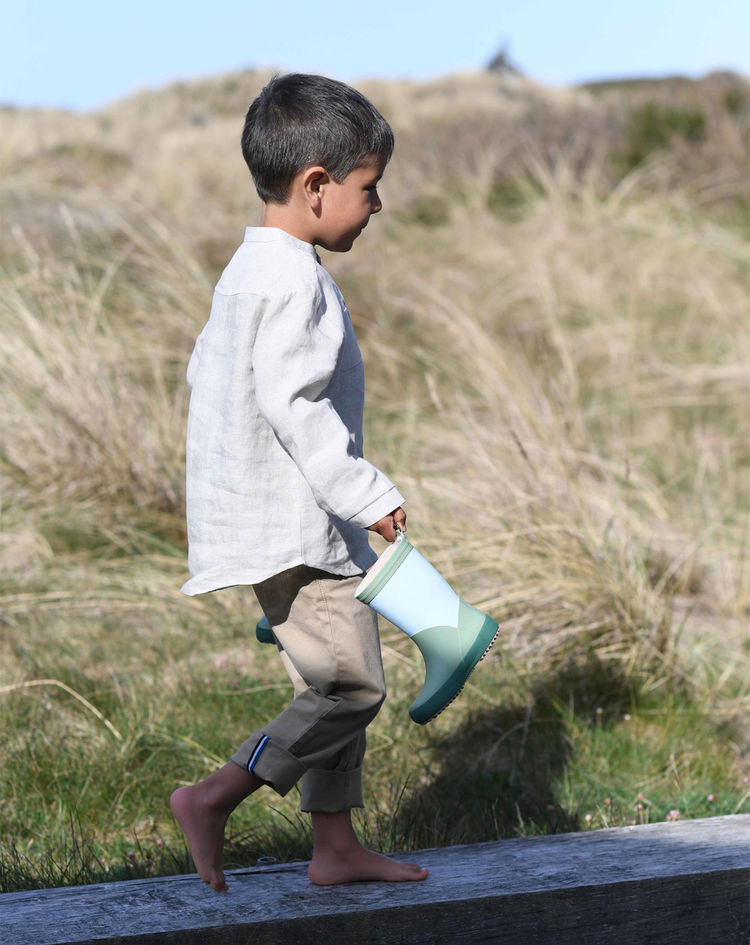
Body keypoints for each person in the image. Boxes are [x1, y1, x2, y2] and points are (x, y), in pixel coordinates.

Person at [170, 73, 429, 892]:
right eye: (368, 187)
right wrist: (367, 493)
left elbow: (203, 375)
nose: (376, 205)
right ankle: (215, 794)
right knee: (353, 687)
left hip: (268, 519)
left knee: (328, 680)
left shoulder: (247, 270)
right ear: (317, 185)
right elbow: (299, 409)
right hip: (301, 526)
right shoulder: (296, 280)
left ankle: (335, 846)